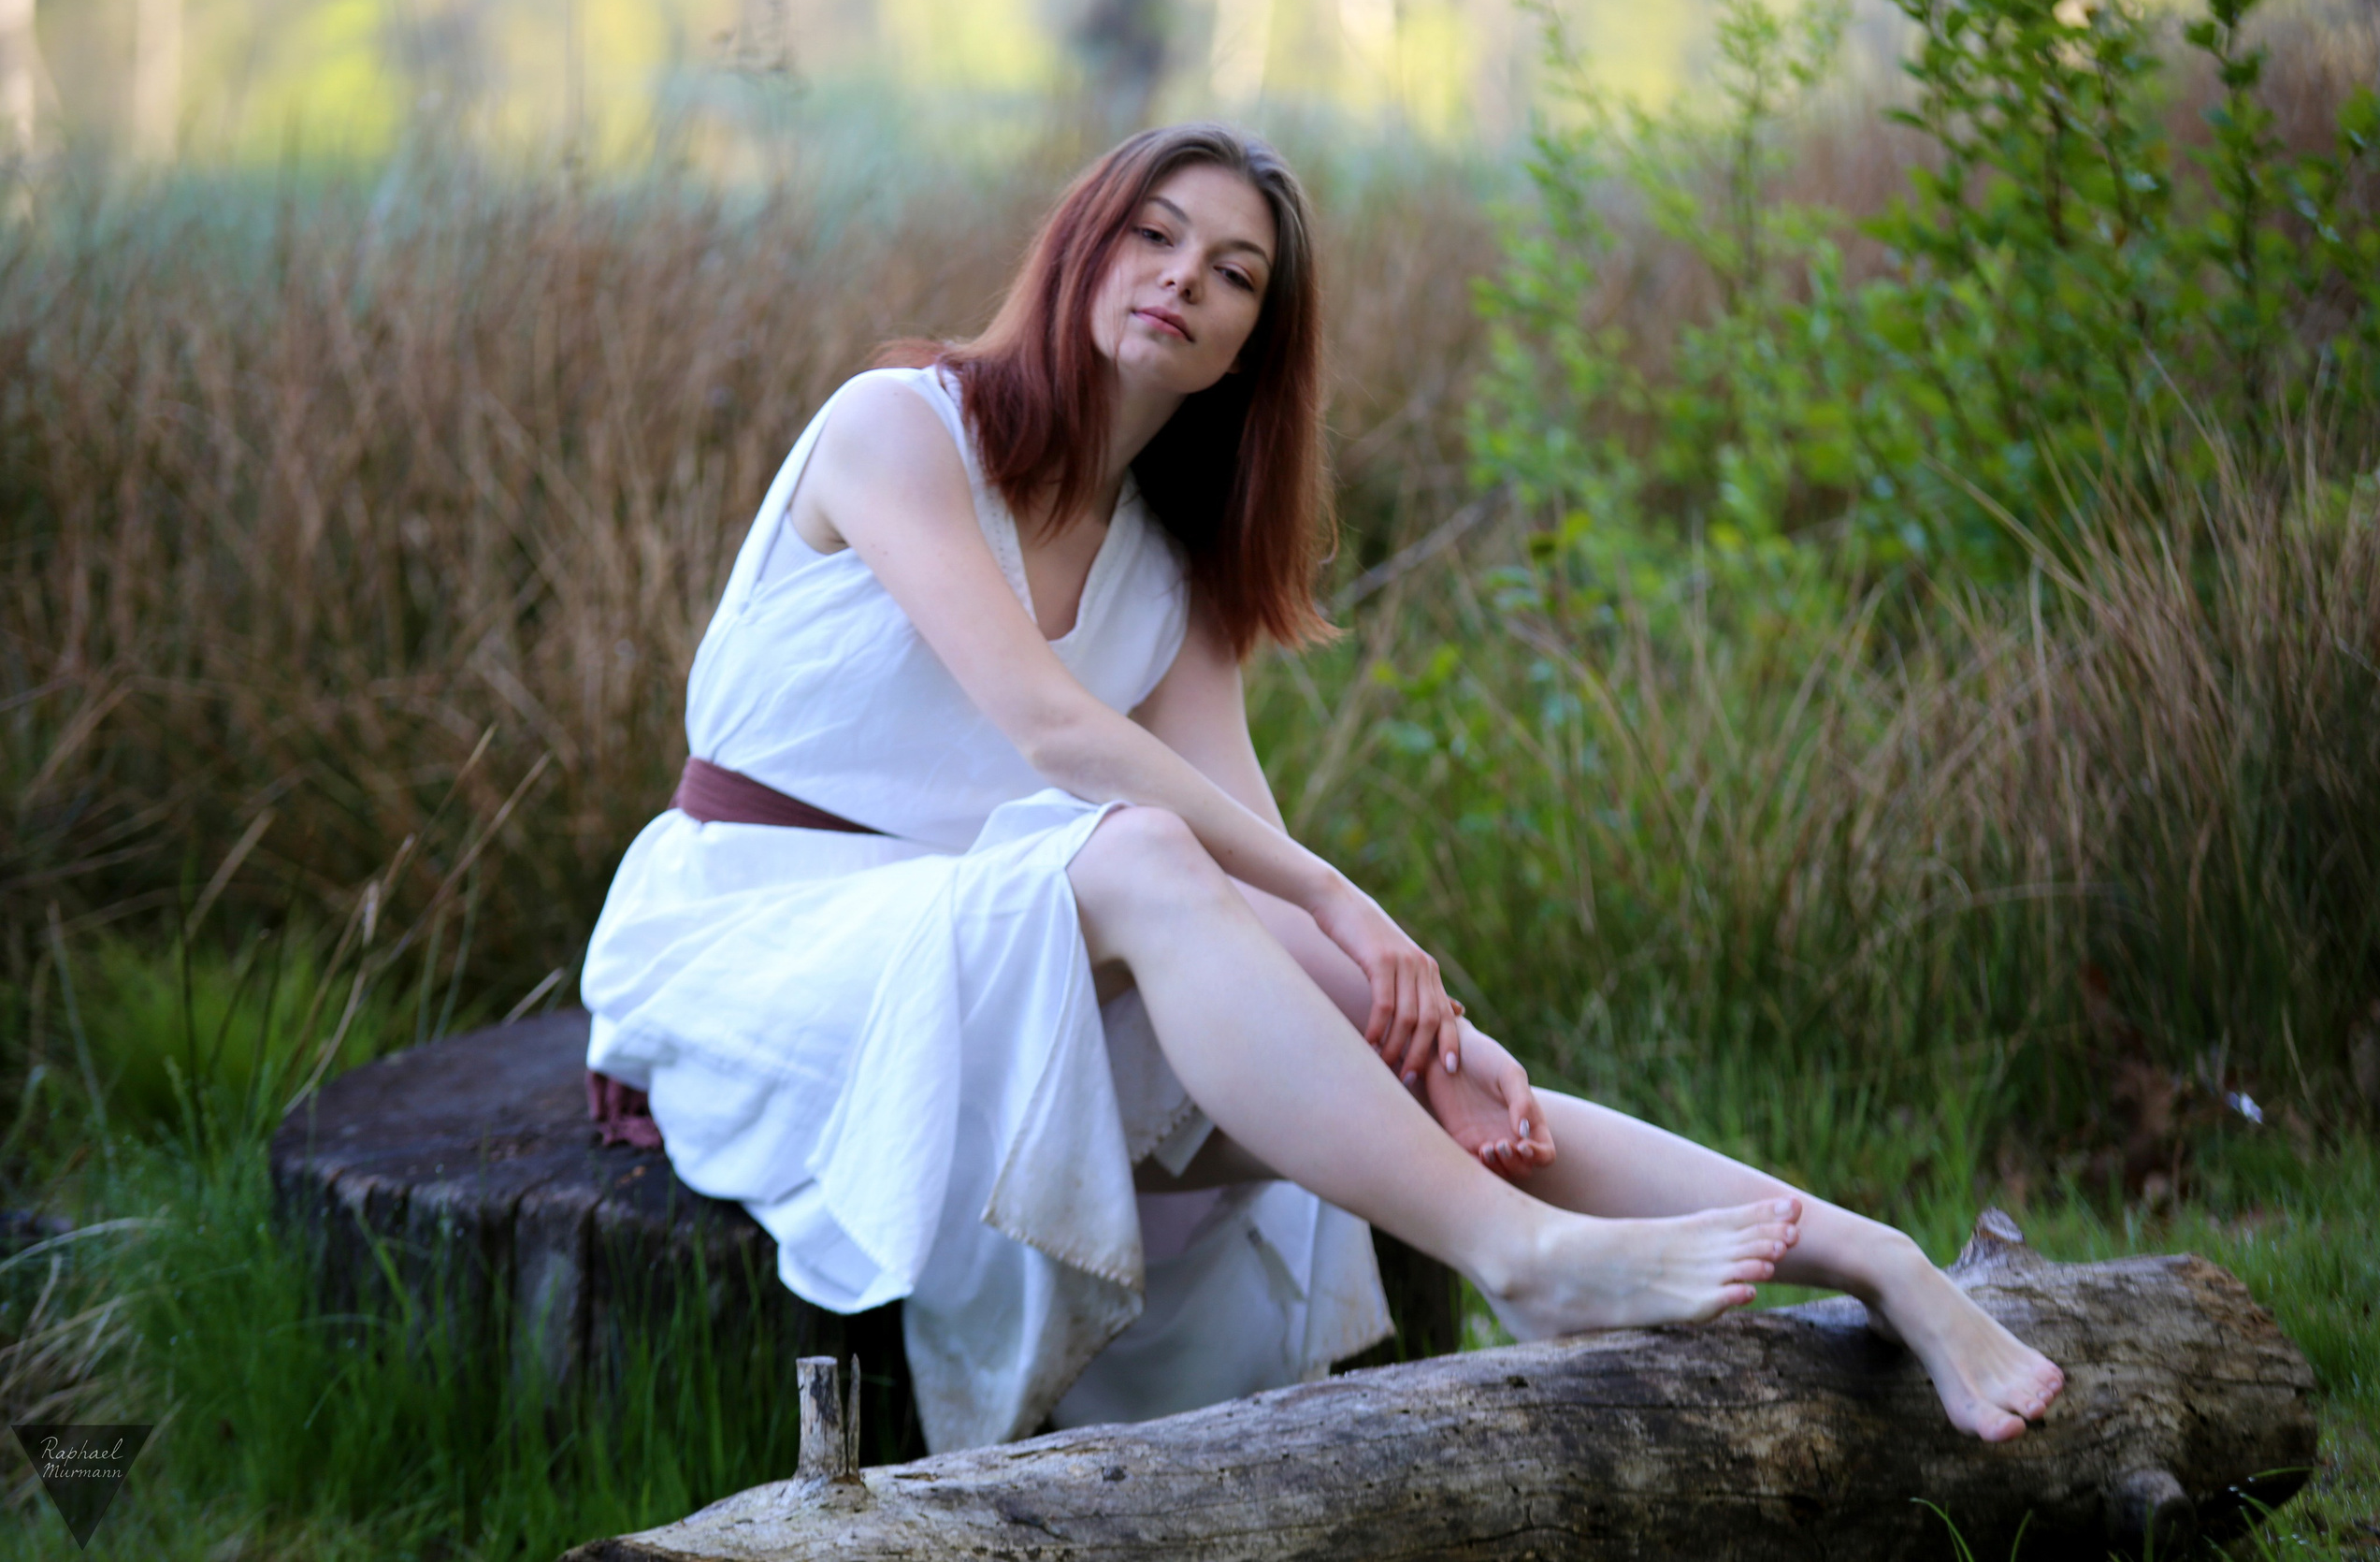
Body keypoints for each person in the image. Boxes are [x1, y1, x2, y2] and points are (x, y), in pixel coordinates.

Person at [579, 123, 2065, 1456]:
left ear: (1249, 347)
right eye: (1154, 236)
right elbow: (1057, 738)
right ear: (1082, 251)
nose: (1183, 280)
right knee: (1149, 857)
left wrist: (1430, 1024)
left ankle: (1880, 1260)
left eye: (1232, 274)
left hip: (983, 958)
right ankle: (1522, 1256)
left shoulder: (1175, 566)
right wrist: (1353, 909)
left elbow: (1252, 855)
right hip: (757, 934)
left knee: (1386, 1047)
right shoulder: (900, 426)